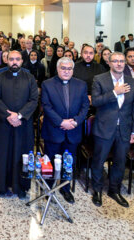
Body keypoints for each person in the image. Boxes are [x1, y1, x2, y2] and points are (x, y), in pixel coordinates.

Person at [91, 52, 134, 208]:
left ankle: (114, 190)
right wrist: (114, 92)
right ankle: (97, 190)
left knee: (120, 162)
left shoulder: (132, 82)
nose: (119, 64)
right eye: (115, 61)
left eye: (121, 61)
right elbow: (96, 102)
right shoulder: (99, 79)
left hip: (125, 129)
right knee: (99, 161)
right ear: (109, 63)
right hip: (104, 128)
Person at [41, 57, 89, 203]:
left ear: (73, 70)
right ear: (57, 68)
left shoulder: (81, 85)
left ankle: (65, 188)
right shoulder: (47, 84)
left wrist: (75, 121)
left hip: (73, 131)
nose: (66, 71)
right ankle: (47, 188)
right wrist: (61, 122)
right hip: (54, 131)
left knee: (68, 163)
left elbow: (85, 106)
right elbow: (46, 106)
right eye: (63, 68)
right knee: (49, 161)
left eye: (69, 69)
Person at [0, 50, 38, 199]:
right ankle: (2, 186)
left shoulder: (30, 78)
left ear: (22, 61)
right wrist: (8, 116)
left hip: (23, 124)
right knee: (2, 154)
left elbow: (33, 100)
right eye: (11, 59)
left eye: (17, 59)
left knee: (22, 154)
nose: (14, 62)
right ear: (7, 61)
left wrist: (19, 115)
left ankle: (21, 186)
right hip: (3, 123)